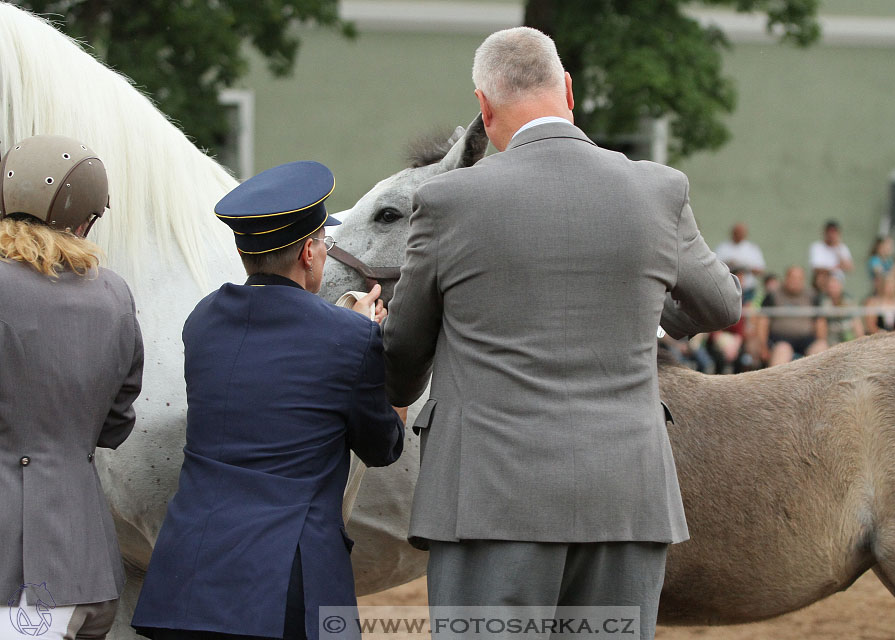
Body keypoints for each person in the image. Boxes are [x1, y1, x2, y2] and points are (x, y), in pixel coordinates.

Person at [382, 27, 741, 637]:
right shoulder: (659, 189)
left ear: (484, 106)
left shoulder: (447, 201)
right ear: (568, 90)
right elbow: (720, 305)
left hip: (489, 500)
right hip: (626, 496)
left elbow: (404, 356)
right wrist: (650, 315)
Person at [131, 161, 405, 640]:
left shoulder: (203, 320)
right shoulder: (349, 337)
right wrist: (375, 345)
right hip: (287, 585)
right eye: (323, 242)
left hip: (189, 575)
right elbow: (383, 448)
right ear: (307, 251)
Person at [0, 135, 143, 639]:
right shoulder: (115, 294)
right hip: (89, 567)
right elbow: (115, 426)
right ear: (87, 219)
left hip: (14, 574)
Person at [757, 265, 826, 366]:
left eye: (799, 278)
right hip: (781, 339)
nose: (795, 281)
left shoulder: (812, 296)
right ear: (786, 278)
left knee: (821, 348)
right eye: (793, 278)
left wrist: (821, 339)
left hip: (807, 339)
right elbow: (763, 322)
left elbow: (820, 321)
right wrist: (763, 347)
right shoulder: (773, 295)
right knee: (782, 352)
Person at [715, 222, 766, 302]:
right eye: (737, 232)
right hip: (727, 289)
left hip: (748, 290)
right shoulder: (723, 248)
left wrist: (746, 267)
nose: (739, 234)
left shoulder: (752, 249)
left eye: (742, 232)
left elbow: (760, 270)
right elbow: (715, 267)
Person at [814, 274, 864, 346]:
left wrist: (860, 339)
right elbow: (821, 324)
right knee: (820, 345)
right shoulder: (822, 301)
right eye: (830, 285)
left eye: (835, 284)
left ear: (841, 285)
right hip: (831, 338)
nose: (832, 287)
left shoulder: (849, 300)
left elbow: (857, 322)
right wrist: (823, 341)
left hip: (848, 336)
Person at [809, 220, 853, 287]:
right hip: (823, 279)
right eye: (829, 231)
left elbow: (849, 267)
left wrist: (837, 248)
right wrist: (833, 269)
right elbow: (816, 268)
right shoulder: (817, 246)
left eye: (834, 232)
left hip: (838, 281)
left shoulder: (842, 248)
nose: (831, 235)